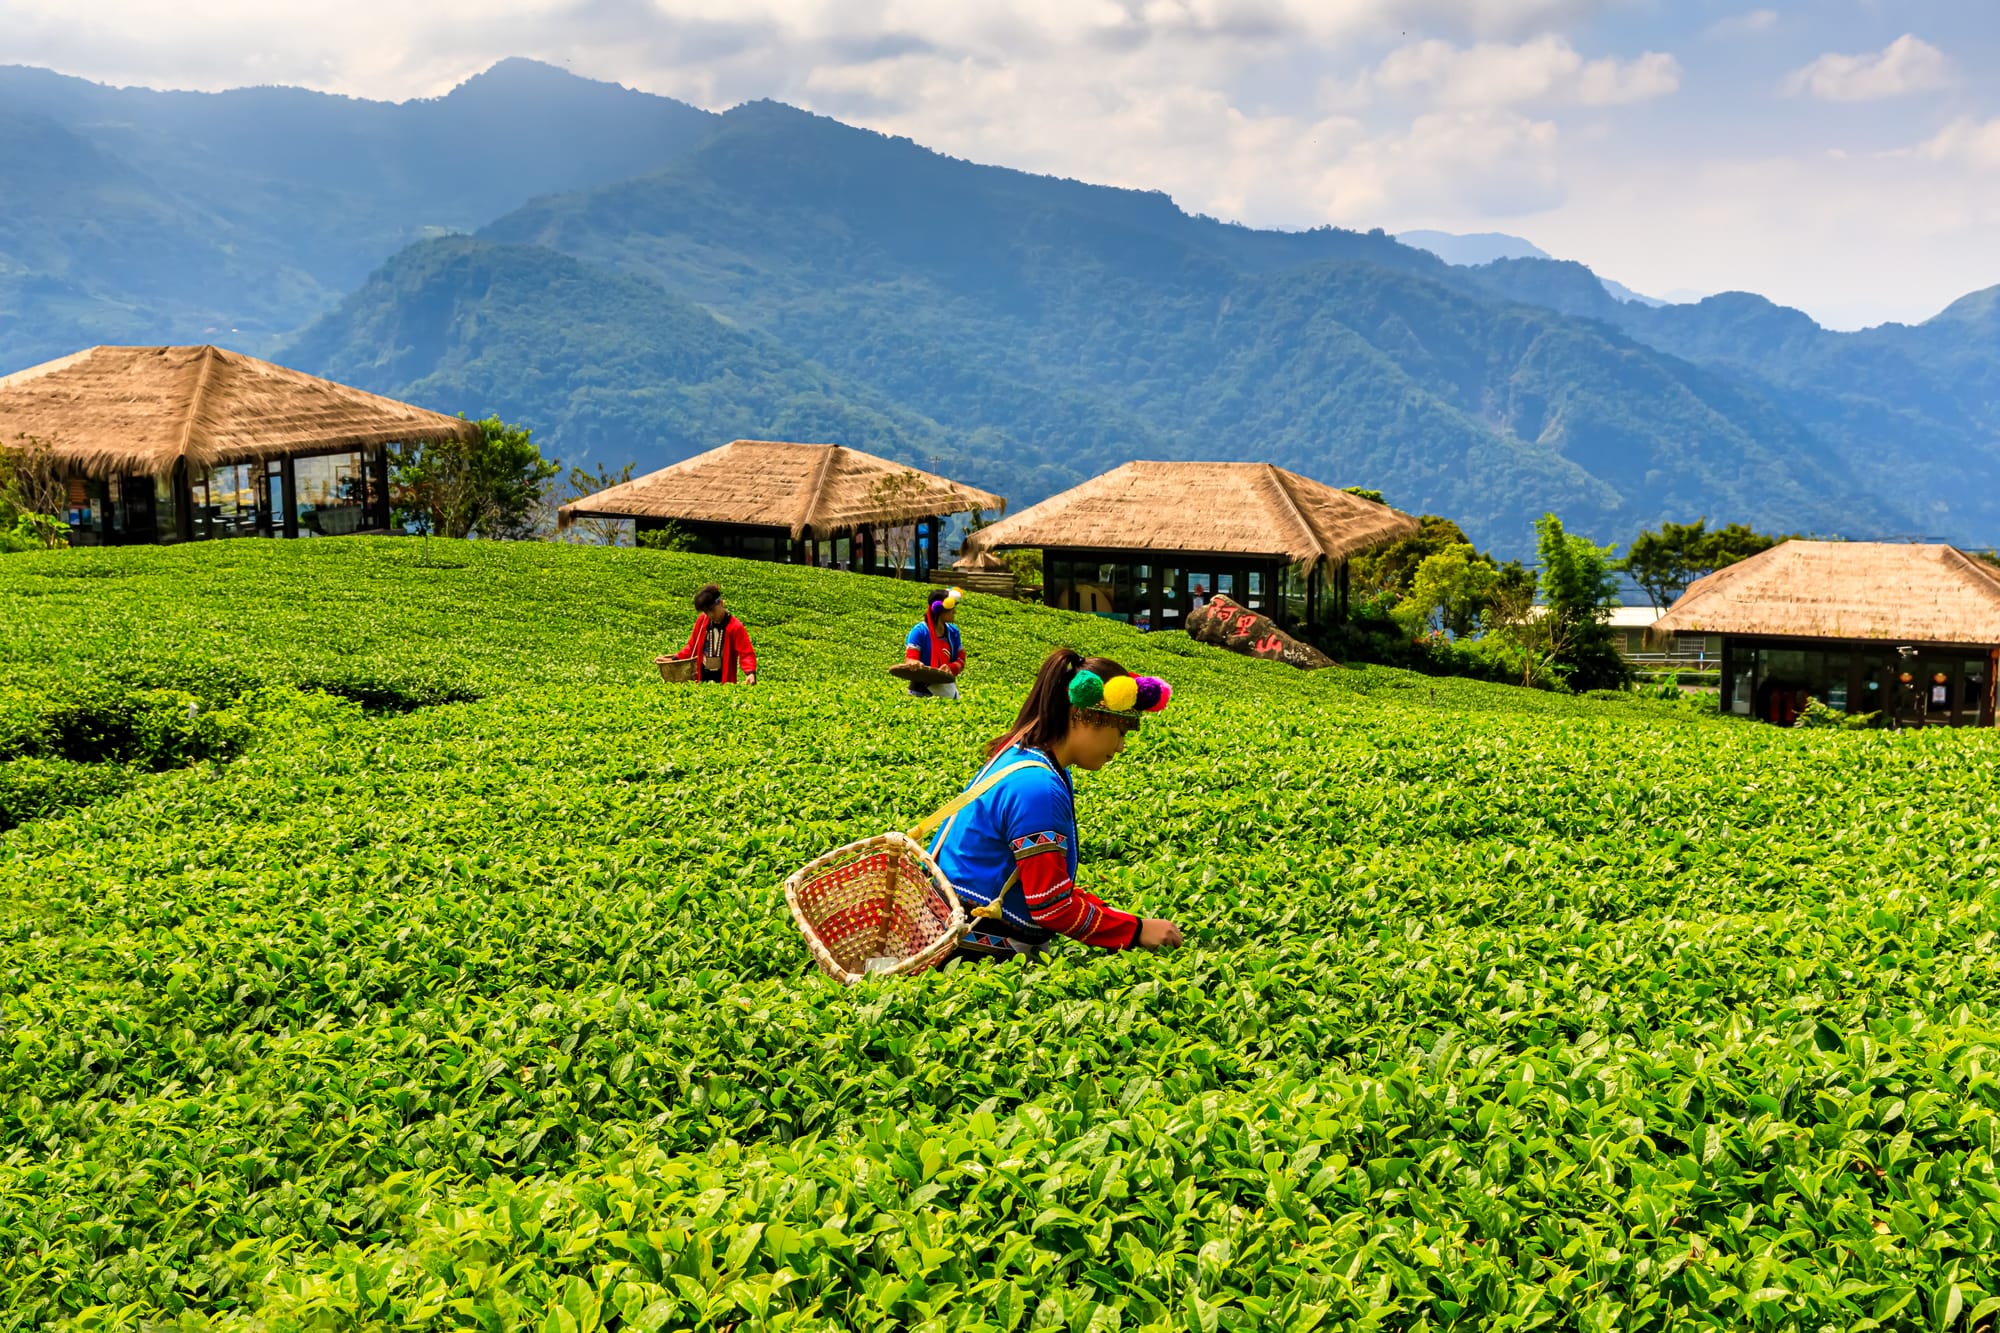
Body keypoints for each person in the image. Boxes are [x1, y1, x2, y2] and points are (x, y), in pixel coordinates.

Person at [929, 646, 1184, 962]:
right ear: (1084, 715)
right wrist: (1135, 930)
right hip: (975, 956)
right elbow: (1050, 905)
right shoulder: (1038, 787)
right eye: (1120, 730)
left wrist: (1115, 916)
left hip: (947, 928)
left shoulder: (1019, 755)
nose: (1120, 746)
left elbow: (1045, 884)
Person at [678, 583, 757, 684]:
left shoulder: (735, 627)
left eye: (712, 610)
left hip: (723, 679)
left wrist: (750, 672)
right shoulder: (702, 621)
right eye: (706, 612)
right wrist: (674, 658)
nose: (710, 615)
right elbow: (692, 646)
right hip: (702, 676)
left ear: (720, 603)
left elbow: (746, 652)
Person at [905, 586, 967, 699]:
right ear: (940, 610)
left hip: (946, 691)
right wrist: (914, 663)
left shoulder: (953, 632)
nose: (955, 612)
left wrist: (951, 668)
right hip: (920, 692)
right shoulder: (919, 631)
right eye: (952, 609)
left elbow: (961, 659)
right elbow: (910, 658)